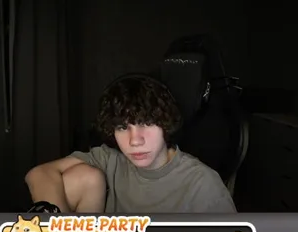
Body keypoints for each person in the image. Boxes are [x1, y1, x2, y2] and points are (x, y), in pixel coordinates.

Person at [24, 74, 235, 214]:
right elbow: (39, 174)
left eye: (146, 123)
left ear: (165, 124)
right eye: (123, 127)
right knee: (82, 177)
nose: (135, 140)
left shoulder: (202, 184)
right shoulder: (110, 160)